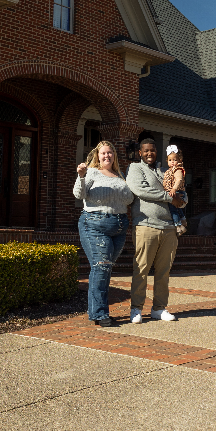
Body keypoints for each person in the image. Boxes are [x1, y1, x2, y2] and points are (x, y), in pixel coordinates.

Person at [74, 140, 134, 327]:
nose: (107, 156)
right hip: (95, 224)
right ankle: (99, 314)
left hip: (119, 226)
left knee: (105, 269)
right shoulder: (91, 172)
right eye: (103, 153)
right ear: (97, 156)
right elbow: (78, 194)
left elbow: (129, 199)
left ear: (114, 155)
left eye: (110, 152)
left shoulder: (120, 175)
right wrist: (81, 176)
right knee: (101, 267)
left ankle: (99, 311)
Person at [126, 138, 185, 324]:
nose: (149, 153)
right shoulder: (135, 168)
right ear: (140, 153)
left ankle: (159, 308)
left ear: (156, 151)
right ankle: (136, 308)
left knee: (163, 272)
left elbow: (180, 190)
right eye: (146, 151)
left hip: (168, 227)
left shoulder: (165, 170)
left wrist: (182, 199)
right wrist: (169, 198)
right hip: (146, 225)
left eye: (152, 150)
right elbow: (141, 190)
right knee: (141, 269)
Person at [162, 145, 188, 236]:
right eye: (170, 160)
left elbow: (179, 180)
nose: (172, 162)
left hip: (177, 191)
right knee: (177, 207)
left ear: (180, 160)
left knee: (173, 209)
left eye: (175, 160)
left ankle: (178, 226)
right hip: (173, 191)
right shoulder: (169, 170)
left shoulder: (177, 170)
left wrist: (174, 189)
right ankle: (183, 219)